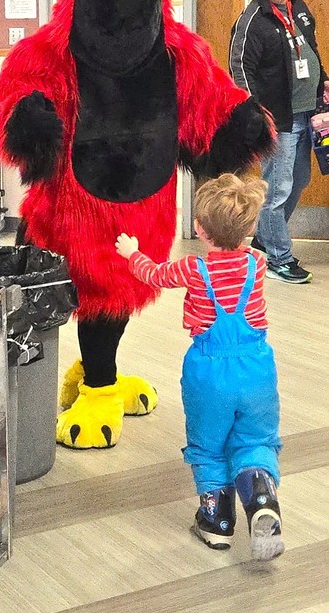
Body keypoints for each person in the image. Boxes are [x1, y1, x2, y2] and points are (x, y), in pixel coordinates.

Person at [116, 173, 285, 562]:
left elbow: (153, 274)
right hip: (257, 367)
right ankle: (260, 494)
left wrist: (131, 252)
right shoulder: (257, 263)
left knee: (208, 446)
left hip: (208, 371)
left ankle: (217, 522)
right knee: (255, 440)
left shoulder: (193, 269)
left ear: (198, 228)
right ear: (251, 227)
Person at [229, 0, 329, 283]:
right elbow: (240, 69)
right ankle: (278, 258)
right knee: (278, 190)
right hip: (278, 121)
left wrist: (322, 80)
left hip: (306, 116)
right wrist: (255, 113)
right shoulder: (253, 19)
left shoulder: (298, 8)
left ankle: (265, 239)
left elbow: (310, 51)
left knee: (298, 181)